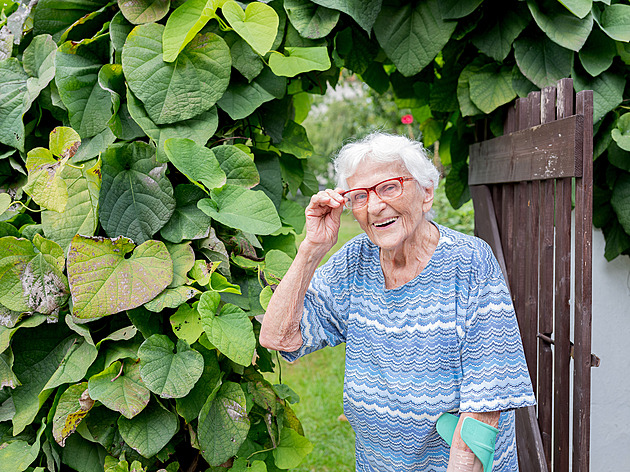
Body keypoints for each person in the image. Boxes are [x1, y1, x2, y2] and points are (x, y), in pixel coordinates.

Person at [259, 132, 535, 472]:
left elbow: (485, 405)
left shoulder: (469, 262)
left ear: (426, 193)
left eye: (389, 187)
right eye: (359, 196)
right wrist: (311, 248)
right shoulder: (354, 262)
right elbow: (278, 337)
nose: (375, 206)